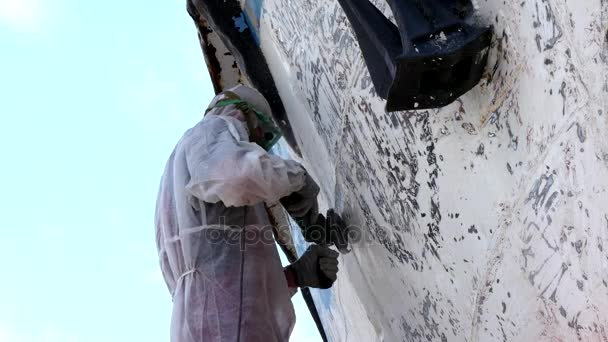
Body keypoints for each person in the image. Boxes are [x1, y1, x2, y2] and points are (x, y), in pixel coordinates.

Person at [155, 84, 340, 342]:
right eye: (262, 137)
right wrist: (297, 179)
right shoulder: (210, 131)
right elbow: (237, 175)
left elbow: (224, 281)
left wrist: (294, 276)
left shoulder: (175, 182)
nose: (261, 149)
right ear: (244, 114)